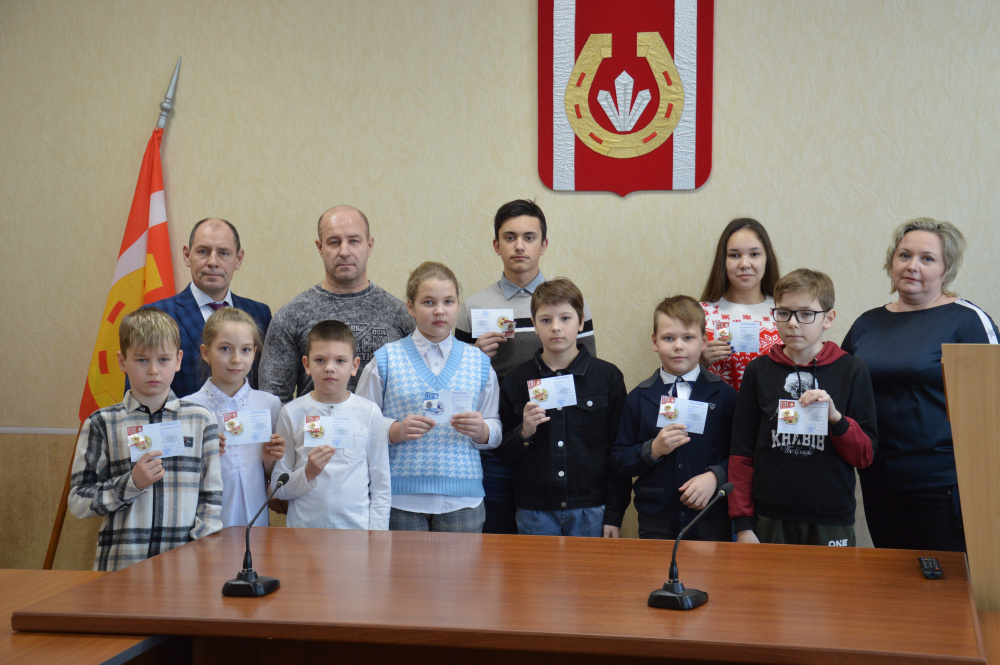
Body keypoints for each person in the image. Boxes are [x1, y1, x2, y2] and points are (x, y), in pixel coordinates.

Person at [842, 218, 998, 552]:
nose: (912, 266)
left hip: (942, 483)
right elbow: (842, 391)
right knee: (892, 577)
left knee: (941, 580)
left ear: (946, 268)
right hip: (878, 479)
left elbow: (991, 406)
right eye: (904, 255)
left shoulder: (967, 321)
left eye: (927, 258)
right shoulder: (867, 323)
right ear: (891, 262)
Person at [455, 199, 596, 534]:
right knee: (499, 537)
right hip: (497, 440)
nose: (519, 246)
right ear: (496, 245)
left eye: (529, 237)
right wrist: (473, 355)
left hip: (557, 438)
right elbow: (456, 381)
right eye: (510, 237)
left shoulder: (569, 305)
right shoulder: (473, 307)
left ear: (543, 244)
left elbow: (587, 371)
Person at [729, 269, 876, 547]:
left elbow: (865, 457)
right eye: (784, 313)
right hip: (770, 514)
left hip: (830, 515)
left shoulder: (852, 370)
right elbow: (741, 452)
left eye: (806, 314)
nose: (793, 323)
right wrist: (742, 523)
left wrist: (836, 419)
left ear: (828, 318)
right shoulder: (758, 371)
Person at [68, 308, 222, 570]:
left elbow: (211, 496)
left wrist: (198, 553)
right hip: (122, 566)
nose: (153, 370)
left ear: (178, 360)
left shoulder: (201, 420)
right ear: (122, 361)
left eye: (163, 359)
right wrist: (131, 483)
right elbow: (79, 501)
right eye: (141, 360)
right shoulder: (101, 423)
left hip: (184, 568)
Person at [356, 262, 501, 532]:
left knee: (464, 564)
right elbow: (360, 423)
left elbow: (495, 428)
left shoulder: (479, 363)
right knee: (401, 563)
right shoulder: (386, 360)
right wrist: (395, 430)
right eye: (428, 302)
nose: (439, 310)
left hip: (463, 499)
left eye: (448, 301)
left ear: (458, 305)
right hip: (399, 499)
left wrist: (482, 430)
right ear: (410, 307)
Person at [496, 278, 628, 537]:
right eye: (546, 320)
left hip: (592, 509)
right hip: (535, 511)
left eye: (565, 318)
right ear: (534, 325)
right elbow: (503, 454)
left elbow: (618, 450)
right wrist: (524, 432)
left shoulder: (607, 377)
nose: (556, 327)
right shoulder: (516, 380)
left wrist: (614, 514)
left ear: (581, 322)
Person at [612, 295, 736, 541]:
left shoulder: (726, 396)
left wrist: (715, 476)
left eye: (688, 338)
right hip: (656, 525)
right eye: (669, 338)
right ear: (655, 342)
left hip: (711, 522)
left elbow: (742, 456)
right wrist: (653, 449)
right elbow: (619, 459)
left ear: (704, 341)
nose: (678, 346)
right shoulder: (639, 398)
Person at [260, 206, 412, 403]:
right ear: (320, 248)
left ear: (369, 246)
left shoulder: (401, 315)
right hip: (313, 423)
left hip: (384, 423)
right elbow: (273, 398)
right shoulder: (290, 316)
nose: (344, 251)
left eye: (354, 241)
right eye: (334, 242)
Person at [271, 321, 391, 530]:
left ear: (354, 366)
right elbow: (278, 488)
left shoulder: (369, 412)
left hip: (355, 533)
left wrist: (377, 535)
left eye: (340, 360)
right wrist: (307, 473)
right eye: (320, 360)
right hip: (304, 532)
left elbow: (380, 483)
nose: (329, 368)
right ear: (307, 364)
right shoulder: (291, 413)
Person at [182, 308, 286, 528]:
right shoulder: (188, 408)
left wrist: (269, 458)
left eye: (245, 350)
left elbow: (272, 474)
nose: (236, 359)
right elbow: (178, 476)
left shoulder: (269, 404)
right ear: (206, 352)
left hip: (256, 521)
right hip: (204, 522)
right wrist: (202, 455)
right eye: (225, 349)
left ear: (254, 352)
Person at [149, 218, 271, 398]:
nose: (213, 262)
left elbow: (265, 385)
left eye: (223, 253)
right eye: (203, 251)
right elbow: (140, 395)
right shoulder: (157, 315)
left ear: (238, 259)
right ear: (187, 255)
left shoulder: (259, 314)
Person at [699, 218, 782, 391]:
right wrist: (698, 362)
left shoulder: (786, 313)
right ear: (723, 260)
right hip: (715, 407)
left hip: (769, 408)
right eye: (734, 255)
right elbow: (675, 376)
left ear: (767, 258)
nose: (744, 264)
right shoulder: (700, 313)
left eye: (754, 254)